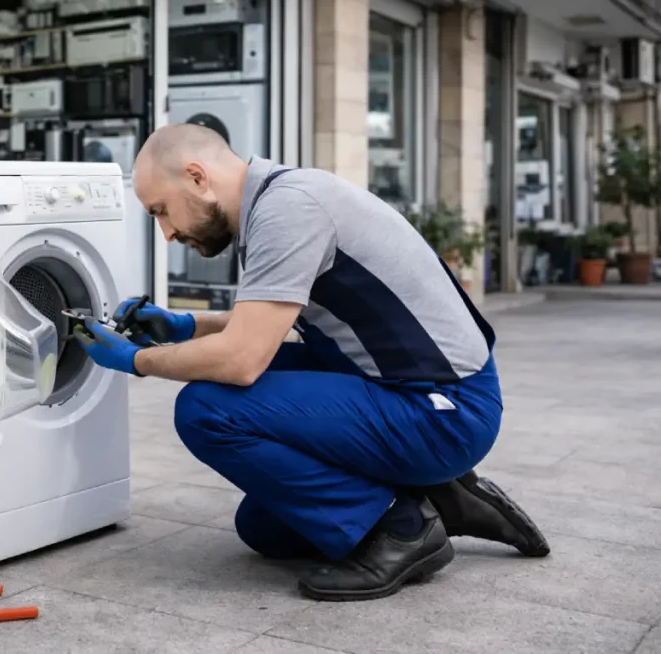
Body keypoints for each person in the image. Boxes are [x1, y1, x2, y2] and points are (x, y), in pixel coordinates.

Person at [73, 123, 549, 602]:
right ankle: (444, 496)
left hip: (444, 408)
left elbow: (242, 358)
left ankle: (403, 529)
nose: (167, 232)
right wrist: (182, 325)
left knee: (207, 409)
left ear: (197, 177)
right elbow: (268, 321)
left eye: (161, 211)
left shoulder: (289, 211)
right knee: (264, 528)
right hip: (406, 386)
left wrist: (137, 360)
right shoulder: (282, 197)